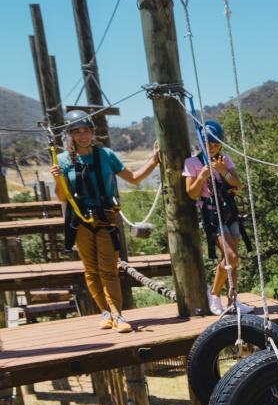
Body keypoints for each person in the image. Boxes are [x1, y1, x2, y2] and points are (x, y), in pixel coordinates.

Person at [50, 109, 160, 334]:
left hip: (105, 217)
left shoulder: (106, 155)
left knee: (108, 268)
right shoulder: (62, 160)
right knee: (91, 269)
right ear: (70, 135)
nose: (82, 136)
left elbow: (134, 178)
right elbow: (62, 196)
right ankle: (105, 312)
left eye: (85, 131)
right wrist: (57, 178)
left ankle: (118, 314)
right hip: (79, 219)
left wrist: (154, 161)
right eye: (76, 132)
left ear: (92, 132)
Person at [183, 120, 250, 315]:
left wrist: (222, 171)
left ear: (220, 144)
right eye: (208, 143)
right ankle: (213, 294)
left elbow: (237, 184)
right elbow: (192, 193)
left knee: (233, 260)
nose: (211, 147)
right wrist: (202, 176)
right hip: (212, 214)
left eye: (215, 143)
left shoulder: (224, 160)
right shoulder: (192, 163)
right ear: (201, 143)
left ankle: (233, 299)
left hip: (230, 211)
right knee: (231, 256)